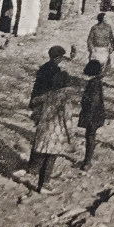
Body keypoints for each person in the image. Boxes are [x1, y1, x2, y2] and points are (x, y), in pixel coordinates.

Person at [28, 46, 77, 191]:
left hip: (42, 104)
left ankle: (33, 168)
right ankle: (41, 178)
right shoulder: (55, 72)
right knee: (49, 153)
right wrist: (72, 140)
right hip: (50, 112)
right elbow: (67, 120)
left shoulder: (44, 67)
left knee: (39, 141)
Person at [77, 59, 106, 170]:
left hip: (92, 115)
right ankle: (87, 160)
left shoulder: (93, 84)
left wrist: (87, 114)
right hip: (96, 114)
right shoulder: (97, 81)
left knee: (89, 136)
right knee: (90, 136)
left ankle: (87, 161)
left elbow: (93, 100)